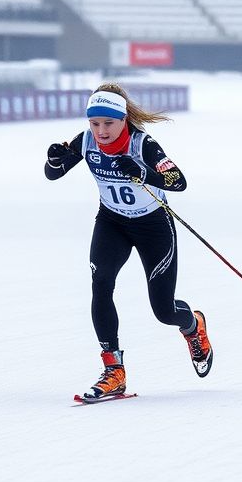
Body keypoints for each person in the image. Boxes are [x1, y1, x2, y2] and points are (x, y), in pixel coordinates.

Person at [44, 83, 213, 401]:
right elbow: (53, 174)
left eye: (108, 123)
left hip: (153, 227)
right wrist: (54, 160)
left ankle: (193, 326)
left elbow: (179, 181)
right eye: (95, 123)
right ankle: (114, 372)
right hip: (112, 223)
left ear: (123, 119)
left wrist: (144, 172)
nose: (101, 131)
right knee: (101, 282)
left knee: (163, 311)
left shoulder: (142, 144)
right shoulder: (86, 141)